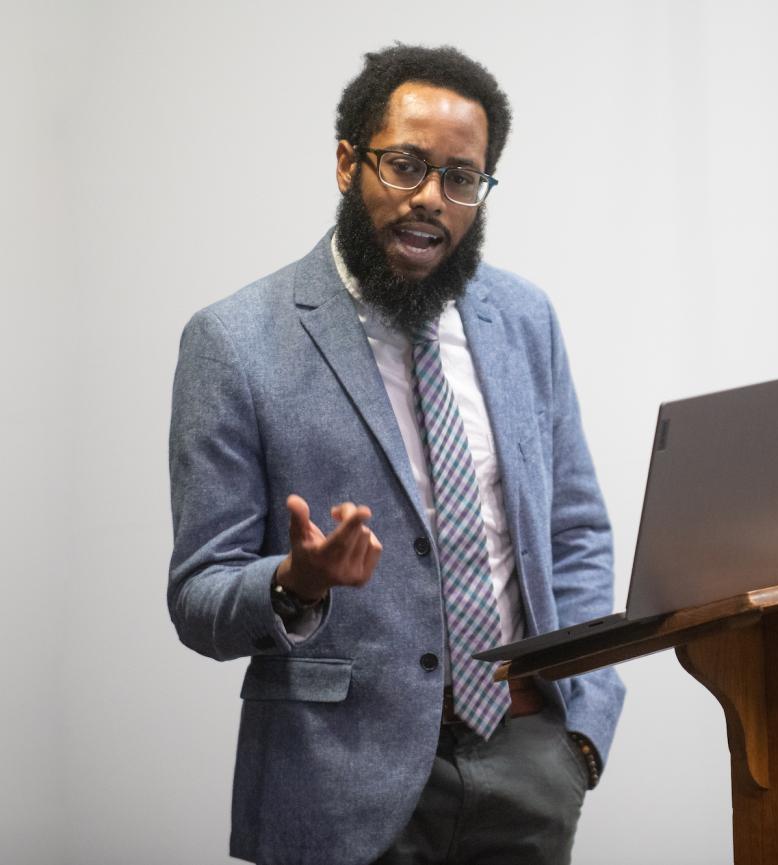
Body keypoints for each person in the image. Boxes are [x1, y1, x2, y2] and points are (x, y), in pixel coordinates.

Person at [168, 44, 624, 865]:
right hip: (336, 786)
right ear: (349, 162)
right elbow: (198, 594)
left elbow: (576, 530)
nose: (430, 201)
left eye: (460, 178)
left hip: (527, 768)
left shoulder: (524, 319)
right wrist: (293, 583)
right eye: (406, 165)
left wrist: (582, 730)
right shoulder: (233, 342)